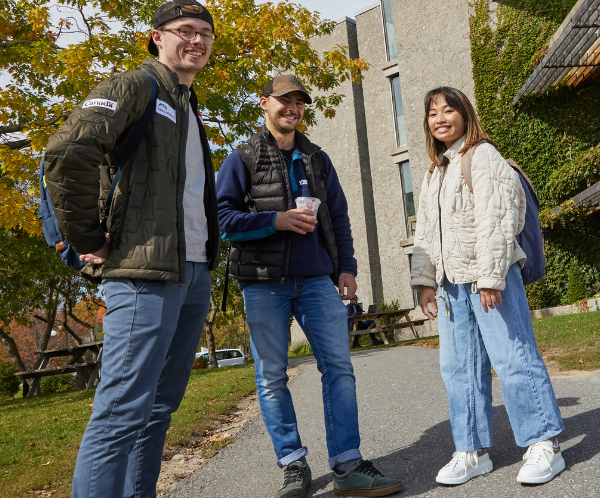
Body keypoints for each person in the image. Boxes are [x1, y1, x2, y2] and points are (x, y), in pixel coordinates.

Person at [44, 0, 220, 498]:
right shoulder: (134, 86)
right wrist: (86, 238)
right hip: (142, 275)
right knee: (122, 409)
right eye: (184, 29)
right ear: (156, 36)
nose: (197, 40)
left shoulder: (187, 106)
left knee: (159, 408)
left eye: (206, 34)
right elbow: (67, 151)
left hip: (192, 272)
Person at [216, 75, 403, 498]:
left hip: (318, 280)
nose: (292, 109)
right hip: (263, 285)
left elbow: (338, 216)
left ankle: (347, 464)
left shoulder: (317, 158)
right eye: (284, 101)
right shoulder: (241, 159)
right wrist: (274, 220)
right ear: (264, 104)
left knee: (339, 368)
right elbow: (223, 220)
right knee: (271, 377)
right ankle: (292, 464)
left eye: (299, 102)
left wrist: (347, 267)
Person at [410, 87, 564, 486]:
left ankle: (544, 442)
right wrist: (425, 282)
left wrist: (492, 277)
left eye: (449, 110)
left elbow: (498, 219)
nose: (440, 118)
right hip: (451, 286)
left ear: (465, 114)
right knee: (458, 369)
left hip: (488, 278)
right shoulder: (434, 172)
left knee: (513, 357)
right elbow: (424, 232)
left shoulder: (482, 156)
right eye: (433, 113)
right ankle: (471, 450)